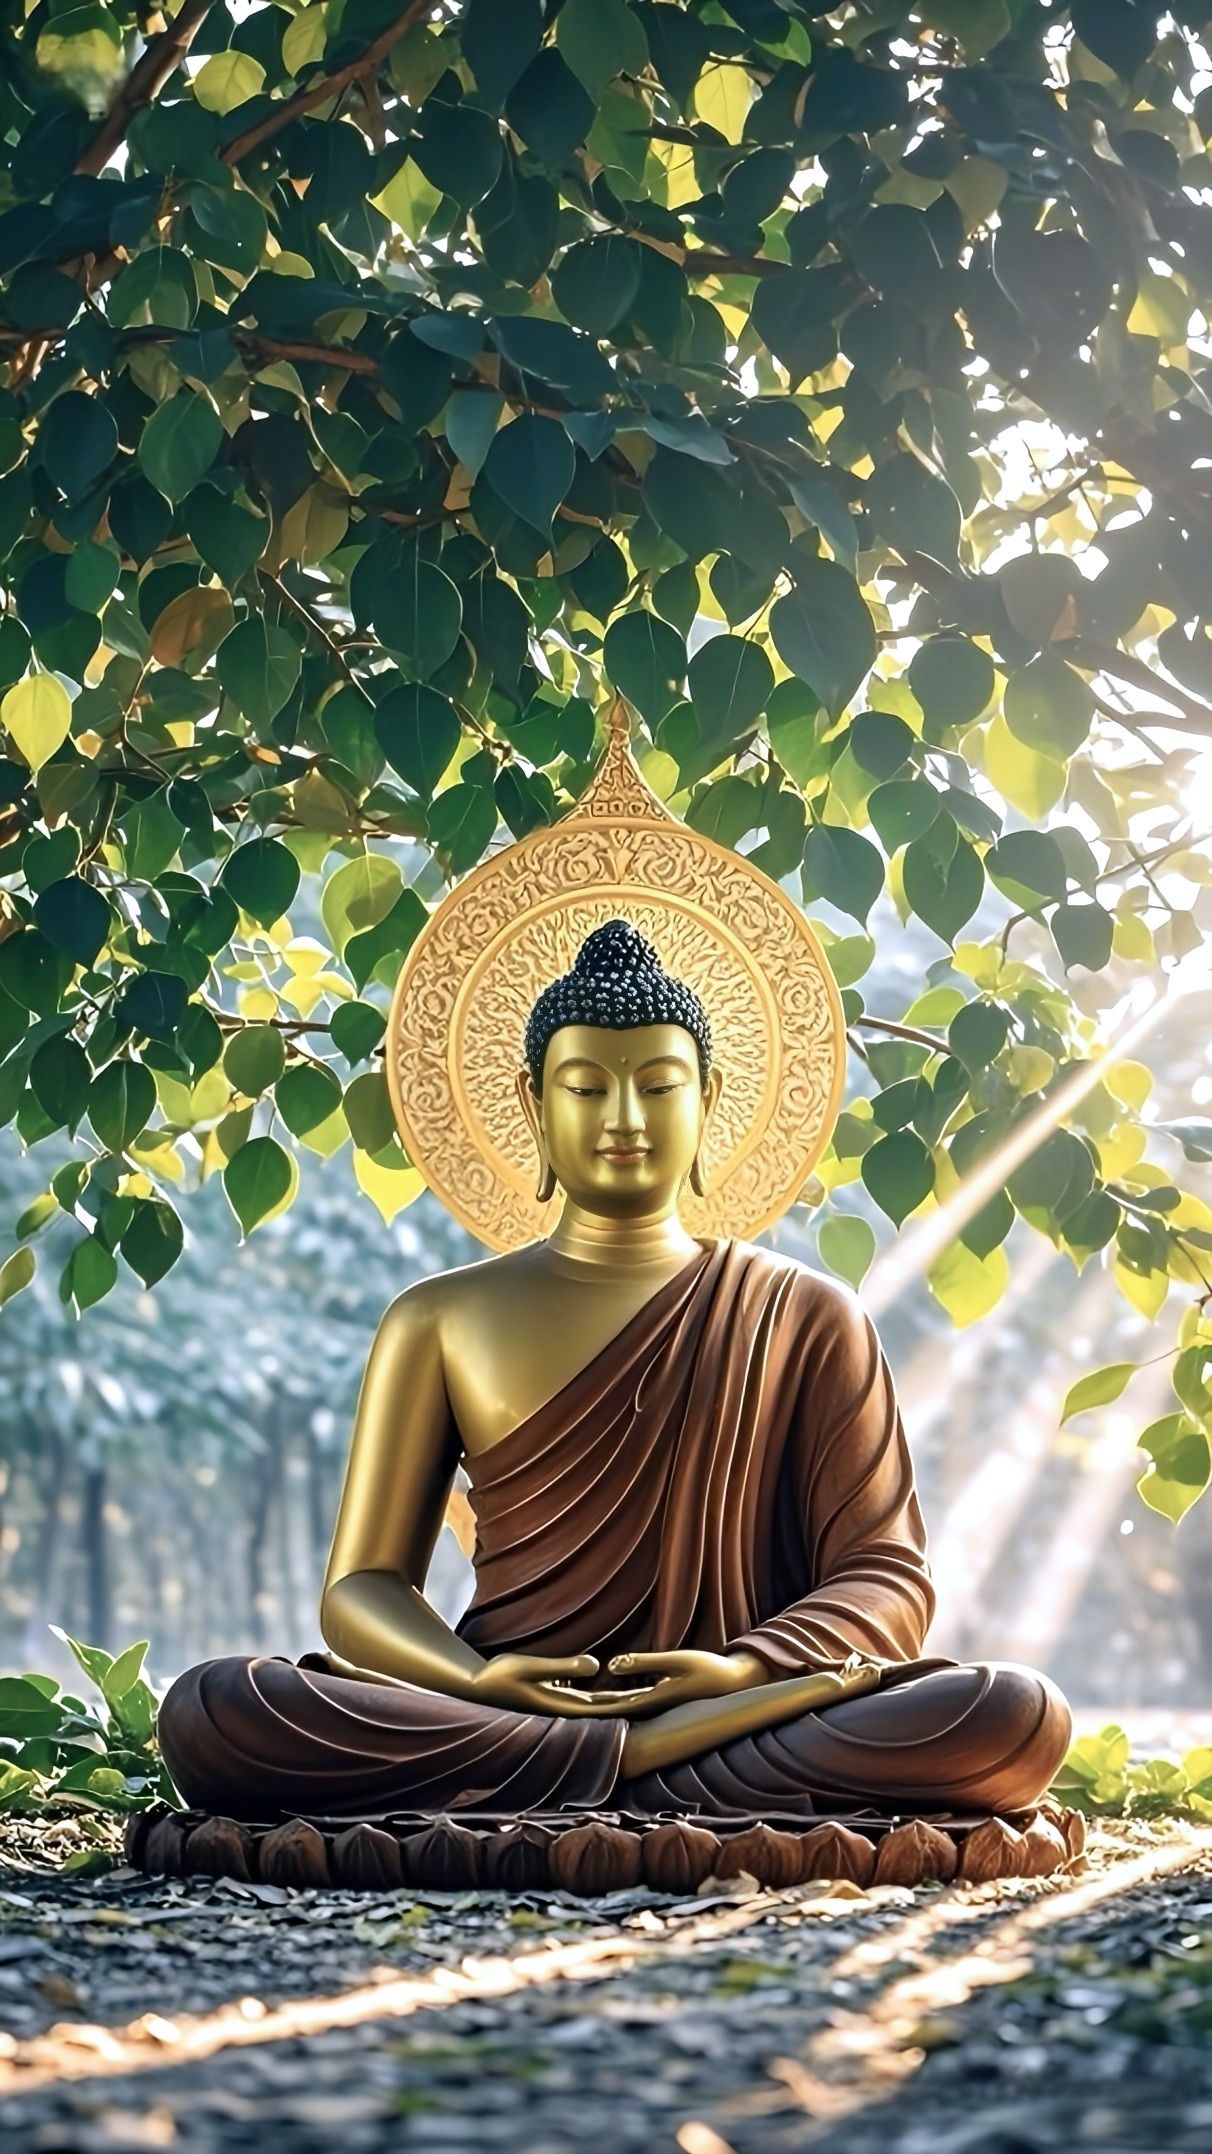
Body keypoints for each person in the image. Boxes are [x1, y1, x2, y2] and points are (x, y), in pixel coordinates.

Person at [156, 909, 1070, 1828]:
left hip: (724, 1705)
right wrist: (480, 1681)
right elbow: (361, 1588)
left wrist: (745, 1669)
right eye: (586, 1088)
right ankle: (643, 1763)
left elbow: (887, 1576)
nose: (624, 1118)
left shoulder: (806, 1312)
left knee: (1011, 1715)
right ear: (532, 1103)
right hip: (513, 1711)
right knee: (218, 1710)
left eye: (660, 1086)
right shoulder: (438, 1317)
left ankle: (601, 1768)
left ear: (708, 1099)